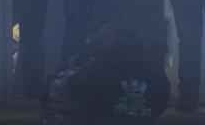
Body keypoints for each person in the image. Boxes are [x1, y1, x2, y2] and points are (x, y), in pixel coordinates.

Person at [41, 14, 170, 125]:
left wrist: (56, 78)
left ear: (110, 38)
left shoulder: (99, 69)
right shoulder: (157, 75)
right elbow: (160, 103)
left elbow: (72, 87)